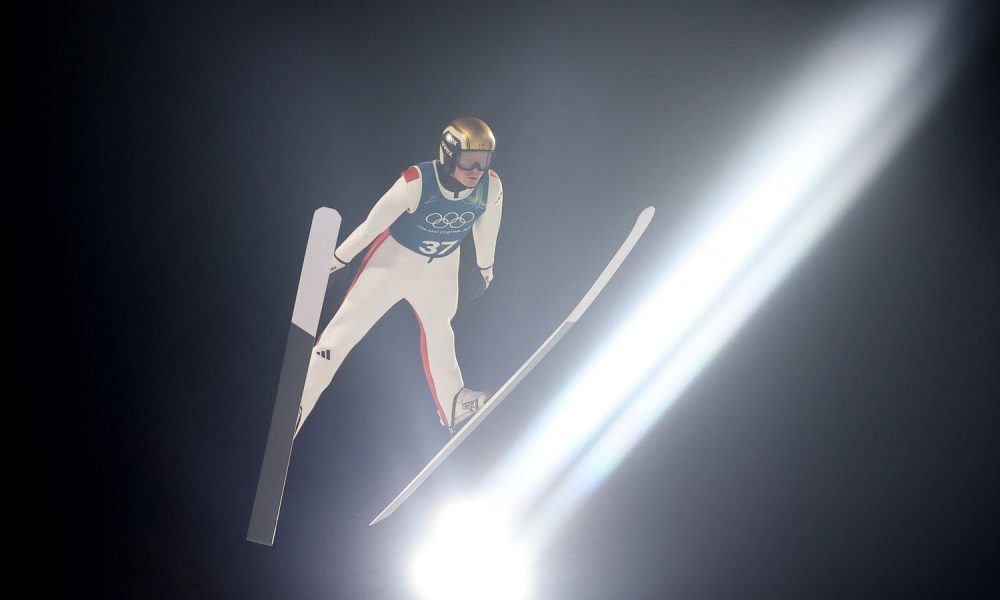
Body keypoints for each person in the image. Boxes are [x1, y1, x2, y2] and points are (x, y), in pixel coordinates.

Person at [295, 116, 503, 439]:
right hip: (394, 263)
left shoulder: (490, 187)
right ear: (449, 156)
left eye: (484, 160)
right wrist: (339, 259)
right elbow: (372, 223)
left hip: (441, 268)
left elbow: (487, 225)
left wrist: (484, 269)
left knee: (440, 331)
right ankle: (298, 403)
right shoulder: (417, 182)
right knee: (343, 332)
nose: (477, 170)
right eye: (468, 160)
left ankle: (454, 403)